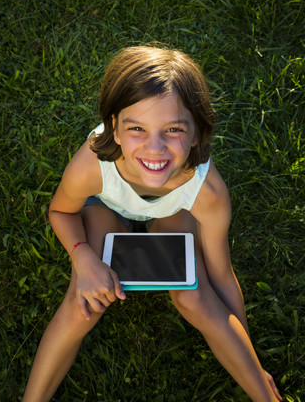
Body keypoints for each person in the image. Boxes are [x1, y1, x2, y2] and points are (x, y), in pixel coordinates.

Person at [23, 46, 282, 402]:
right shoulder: (91, 166)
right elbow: (61, 211)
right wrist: (82, 257)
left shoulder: (207, 192)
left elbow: (222, 273)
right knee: (82, 305)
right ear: (114, 128)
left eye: (173, 129)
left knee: (194, 296)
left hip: (174, 212)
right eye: (137, 129)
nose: (154, 148)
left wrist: (250, 359)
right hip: (106, 208)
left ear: (197, 133)